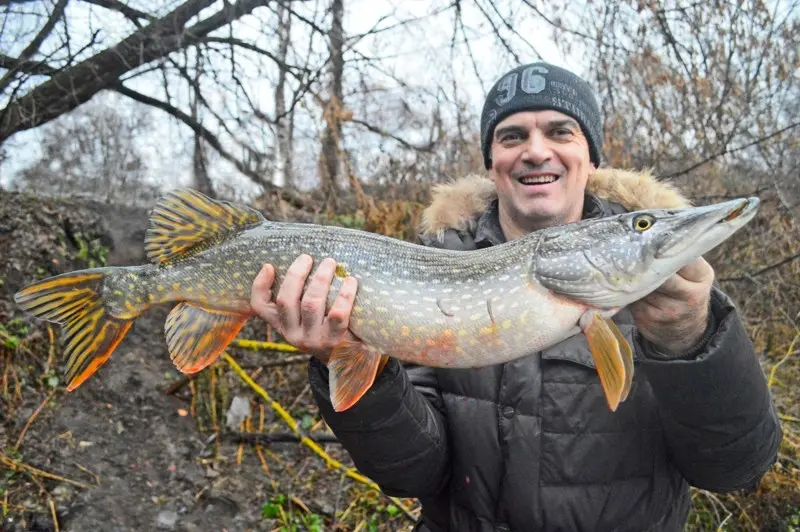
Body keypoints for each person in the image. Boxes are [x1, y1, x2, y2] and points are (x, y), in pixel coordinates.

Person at [248, 62, 782, 531]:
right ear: (491, 163)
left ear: (590, 157)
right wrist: (344, 359)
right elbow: (410, 473)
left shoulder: (673, 285)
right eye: (511, 136)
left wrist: (690, 339)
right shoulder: (432, 262)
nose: (535, 150)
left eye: (560, 131)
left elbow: (734, 469)